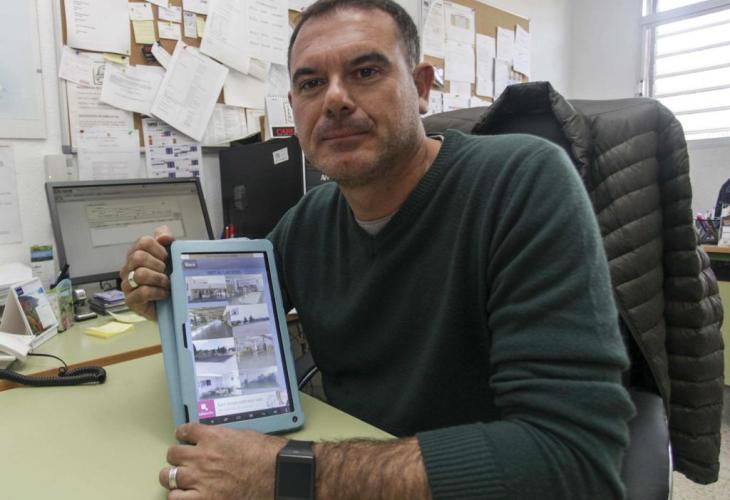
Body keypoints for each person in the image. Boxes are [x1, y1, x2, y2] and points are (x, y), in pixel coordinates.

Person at [121, 1, 635, 498]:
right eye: (310, 83)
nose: (335, 99)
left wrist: (289, 473)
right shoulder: (309, 221)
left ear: (421, 87)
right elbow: (229, 315)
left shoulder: (522, 182)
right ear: (294, 108)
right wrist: (166, 290)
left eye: (365, 72)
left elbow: (573, 460)